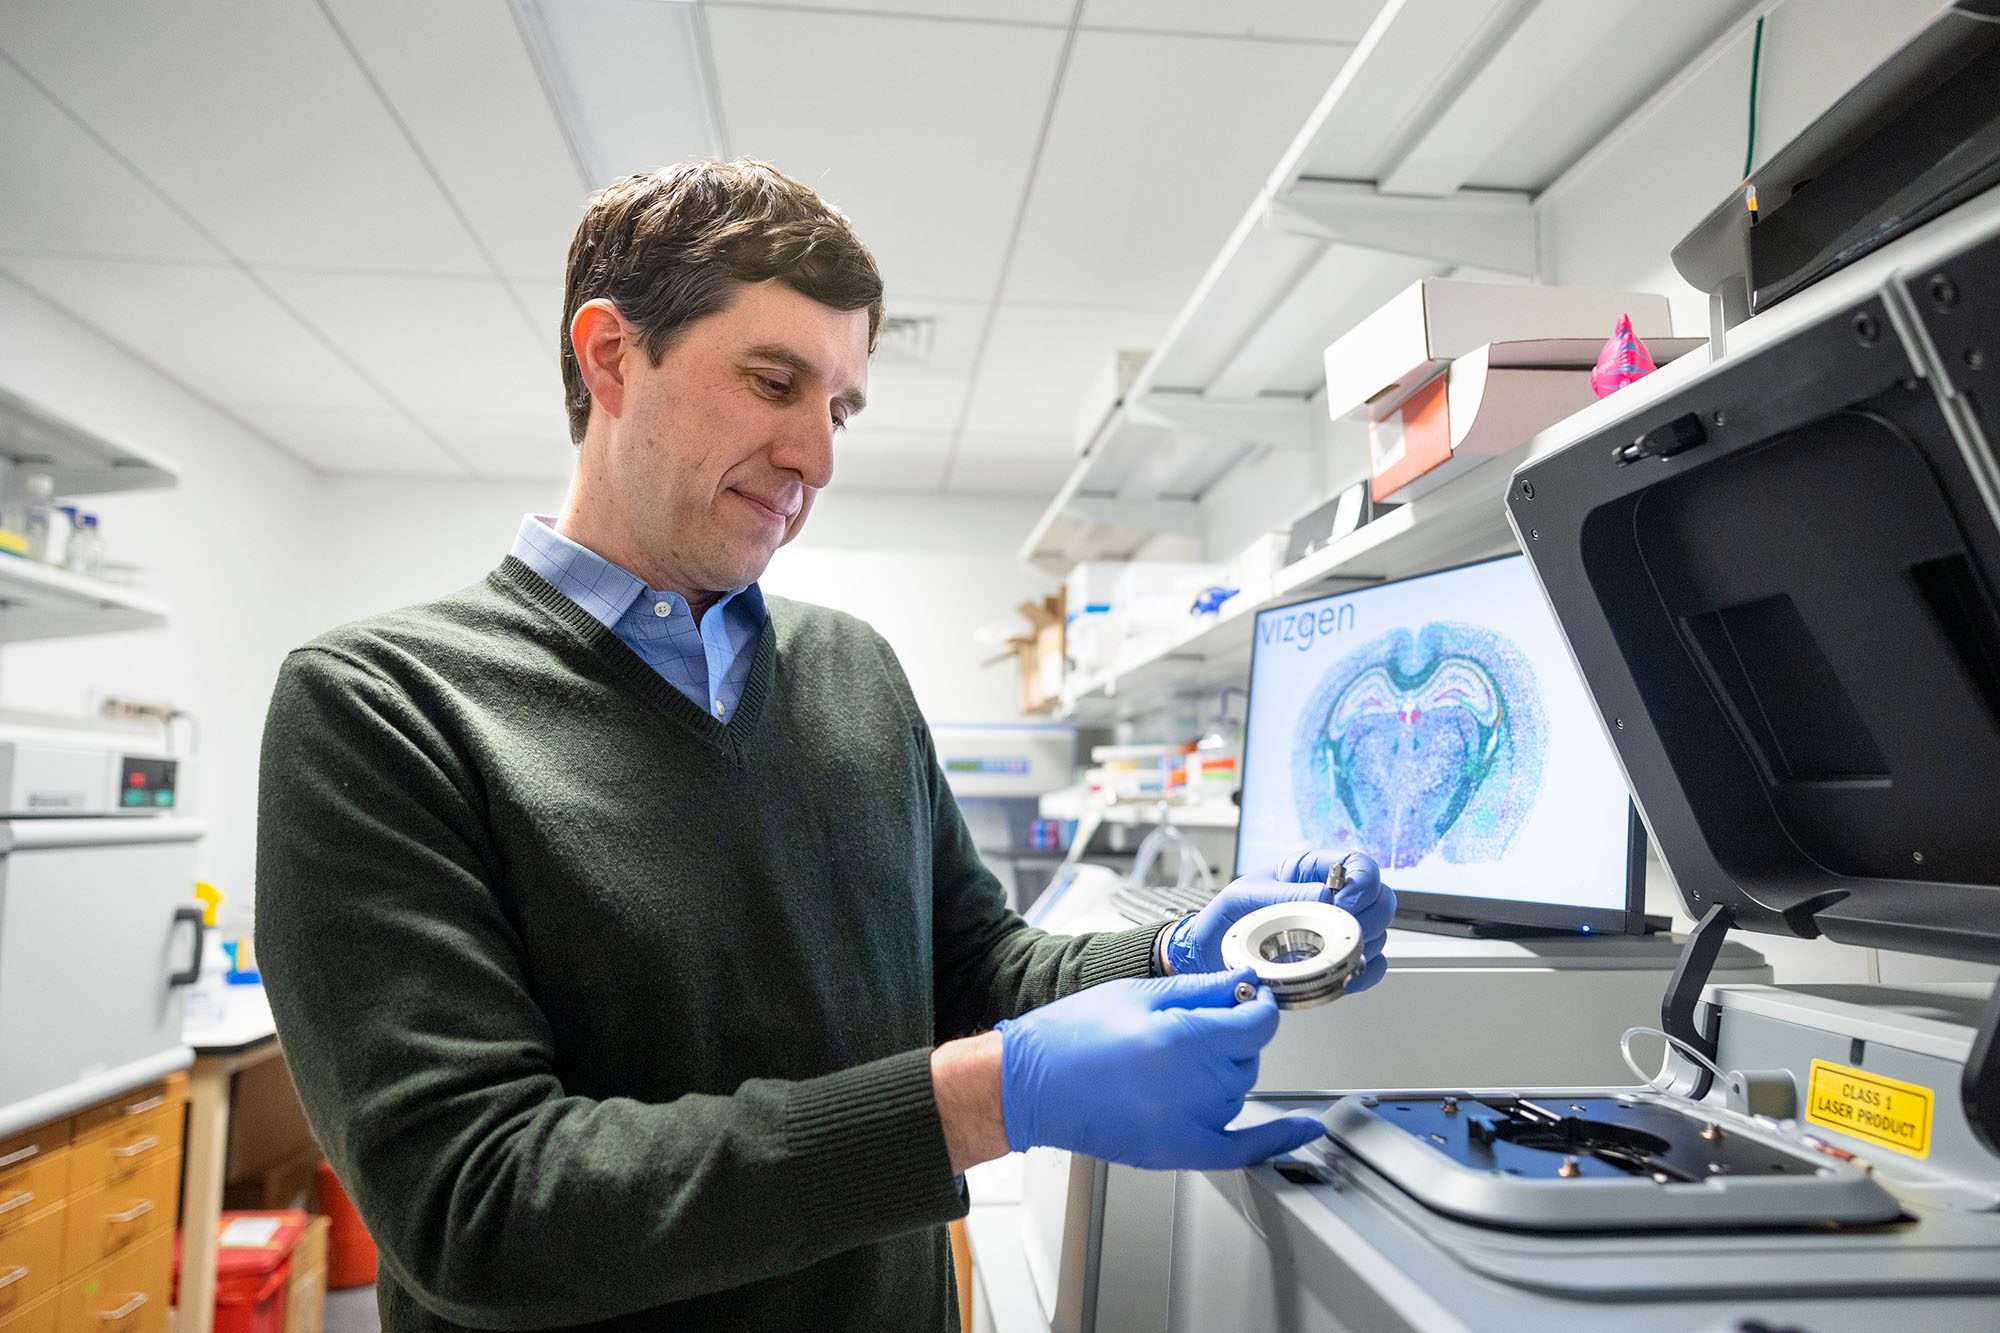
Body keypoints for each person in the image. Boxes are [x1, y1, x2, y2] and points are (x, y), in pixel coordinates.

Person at [254, 159, 1394, 1333]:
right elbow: (477, 1202)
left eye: (839, 406)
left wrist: (1182, 952)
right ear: (609, 357)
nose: (817, 456)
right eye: (771, 381)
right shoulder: (382, 707)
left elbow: (969, 971)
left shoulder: (852, 672)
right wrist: (979, 1102)